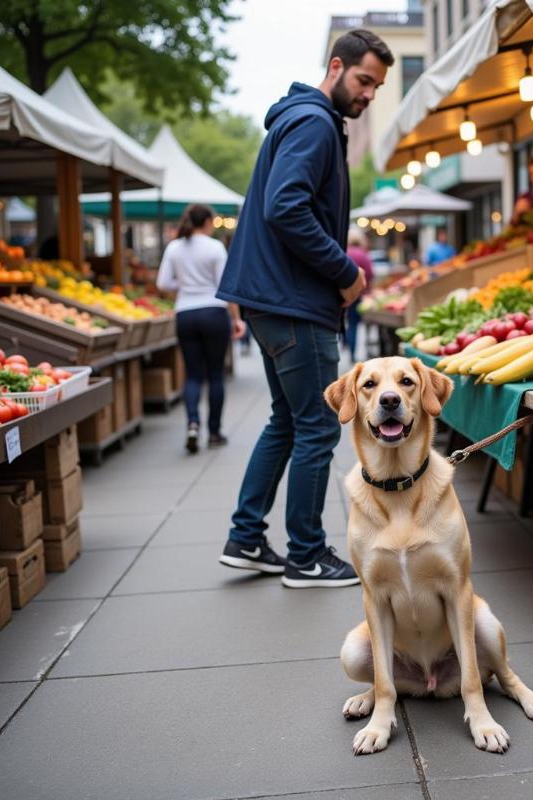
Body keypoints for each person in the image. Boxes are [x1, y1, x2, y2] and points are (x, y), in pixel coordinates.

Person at [216, 29, 394, 588]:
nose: (368, 94)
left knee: (289, 423)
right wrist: (345, 272)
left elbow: (285, 206)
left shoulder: (305, 120)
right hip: (294, 303)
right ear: (336, 66)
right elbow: (285, 207)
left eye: (377, 87)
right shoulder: (315, 122)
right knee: (318, 425)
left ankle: (246, 539)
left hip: (275, 300)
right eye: (364, 80)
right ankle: (307, 556)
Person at [156, 204, 246, 453]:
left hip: (185, 311)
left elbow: (163, 282)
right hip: (213, 311)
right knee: (215, 374)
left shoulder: (174, 247)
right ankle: (214, 432)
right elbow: (225, 286)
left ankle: (192, 423)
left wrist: (185, 286)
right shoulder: (214, 247)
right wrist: (237, 319)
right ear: (206, 221)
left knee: (193, 374)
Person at [344, 228, 374, 361]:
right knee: (354, 324)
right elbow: (370, 274)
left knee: (343, 321)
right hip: (358, 295)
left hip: (340, 294)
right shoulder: (363, 255)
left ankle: (345, 342)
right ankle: (352, 353)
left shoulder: (344, 252)